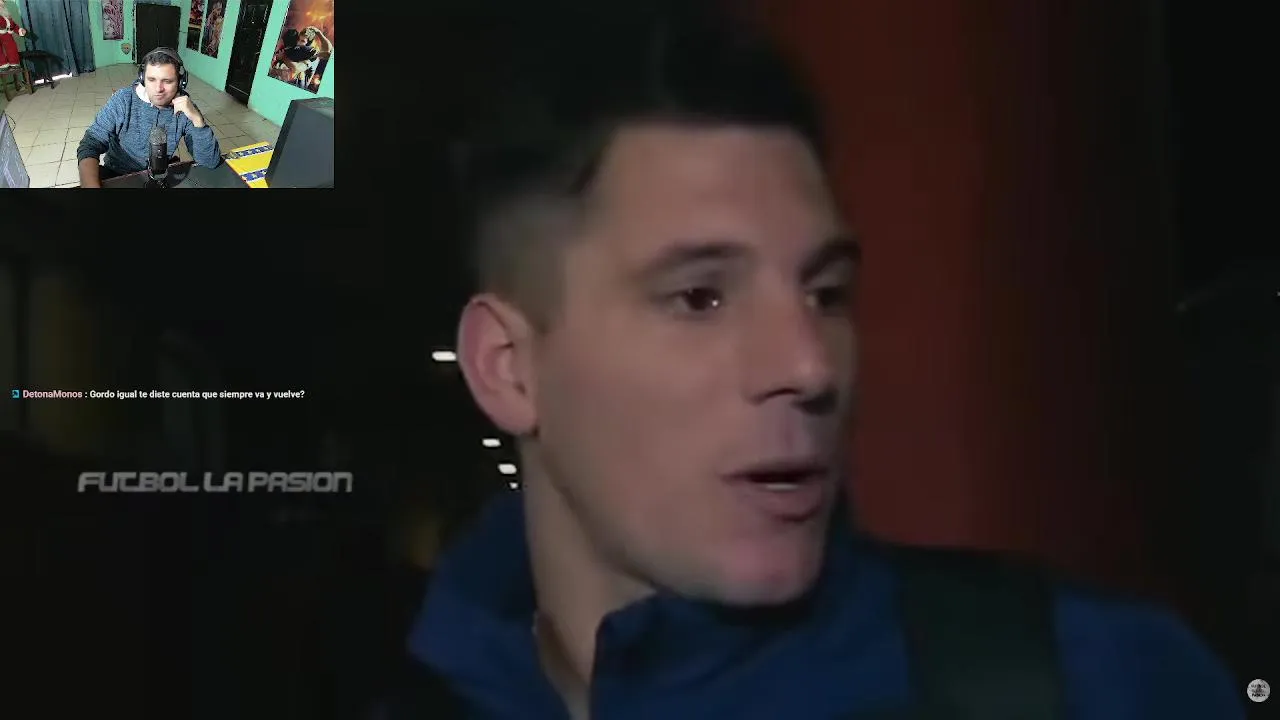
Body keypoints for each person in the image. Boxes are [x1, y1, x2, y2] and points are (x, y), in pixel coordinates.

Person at [394, 5, 1245, 719]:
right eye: (700, 298)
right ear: (507, 368)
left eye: (827, 294)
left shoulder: (1104, 682)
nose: (808, 367)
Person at [76, 47, 221, 188]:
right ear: (142, 79)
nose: (158, 89)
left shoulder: (186, 108)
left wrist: (197, 120)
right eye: (151, 80)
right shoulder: (123, 100)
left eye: (167, 81)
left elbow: (210, 162)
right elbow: (90, 144)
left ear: (181, 82)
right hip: (117, 174)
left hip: (160, 175)